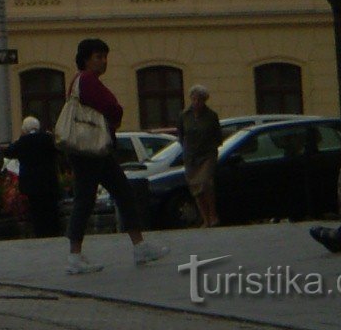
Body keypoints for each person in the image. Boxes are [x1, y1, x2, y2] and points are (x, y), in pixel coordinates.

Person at [63, 38, 169, 274]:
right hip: (89, 150)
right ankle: (75, 255)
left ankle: (139, 245)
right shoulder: (88, 80)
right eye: (98, 57)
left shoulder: (81, 81)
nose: (103, 61)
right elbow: (111, 106)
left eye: (104, 56)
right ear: (86, 59)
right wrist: (116, 113)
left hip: (95, 149)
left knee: (122, 191)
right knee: (88, 198)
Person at [2, 116, 62, 238]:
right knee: (51, 208)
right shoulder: (48, 139)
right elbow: (59, 149)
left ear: (24, 129)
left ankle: (41, 233)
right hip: (49, 181)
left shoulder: (23, 142)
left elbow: (9, 152)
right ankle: (54, 232)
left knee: (37, 210)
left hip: (32, 184)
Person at [178, 85, 224, 228]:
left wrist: (211, 148)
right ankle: (205, 219)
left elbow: (218, 136)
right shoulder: (184, 115)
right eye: (194, 99)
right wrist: (186, 149)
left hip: (207, 155)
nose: (196, 102)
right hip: (191, 156)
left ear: (205, 100)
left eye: (200, 100)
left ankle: (213, 215)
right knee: (195, 188)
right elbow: (181, 135)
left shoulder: (211, 116)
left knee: (205, 183)